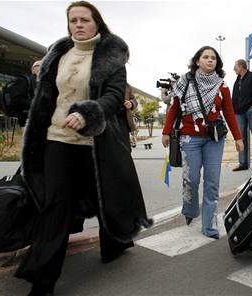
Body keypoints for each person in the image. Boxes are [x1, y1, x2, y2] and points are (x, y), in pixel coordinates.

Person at [16, 1, 152, 295]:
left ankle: (115, 243)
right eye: (72, 20)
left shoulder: (112, 57)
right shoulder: (59, 55)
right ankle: (42, 280)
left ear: (97, 23)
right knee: (56, 205)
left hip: (95, 142)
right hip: (57, 138)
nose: (77, 25)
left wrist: (88, 112)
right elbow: (47, 96)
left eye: (83, 20)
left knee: (107, 197)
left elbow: (115, 96)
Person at [161, 46, 244, 239]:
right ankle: (190, 210)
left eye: (213, 58)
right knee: (191, 179)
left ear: (217, 62)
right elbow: (174, 108)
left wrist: (238, 138)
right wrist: (166, 132)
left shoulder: (222, 86)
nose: (210, 60)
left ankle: (209, 225)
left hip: (214, 139)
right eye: (205, 57)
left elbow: (229, 113)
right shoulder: (184, 82)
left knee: (212, 182)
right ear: (197, 61)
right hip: (189, 138)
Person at [117, 83, 138, 150]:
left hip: (124, 121)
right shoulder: (103, 83)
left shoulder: (127, 86)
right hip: (109, 120)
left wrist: (131, 103)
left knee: (126, 149)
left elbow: (134, 100)